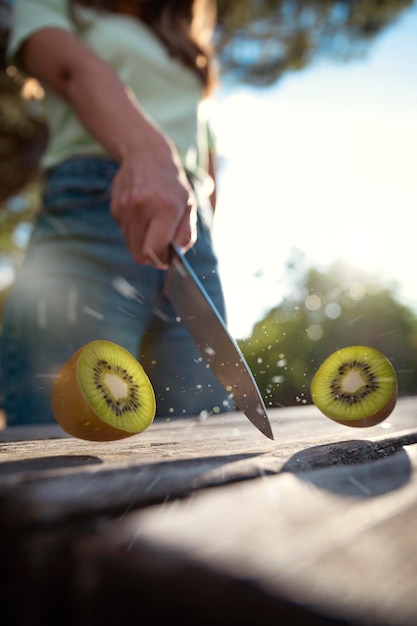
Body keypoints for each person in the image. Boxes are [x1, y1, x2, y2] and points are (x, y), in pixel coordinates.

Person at [0, 0, 233, 426]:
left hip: (188, 233)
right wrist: (147, 153)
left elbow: (204, 154)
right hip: (95, 205)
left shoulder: (184, 47)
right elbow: (72, 68)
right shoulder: (54, 6)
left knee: (207, 428)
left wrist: (201, 228)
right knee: (63, 433)